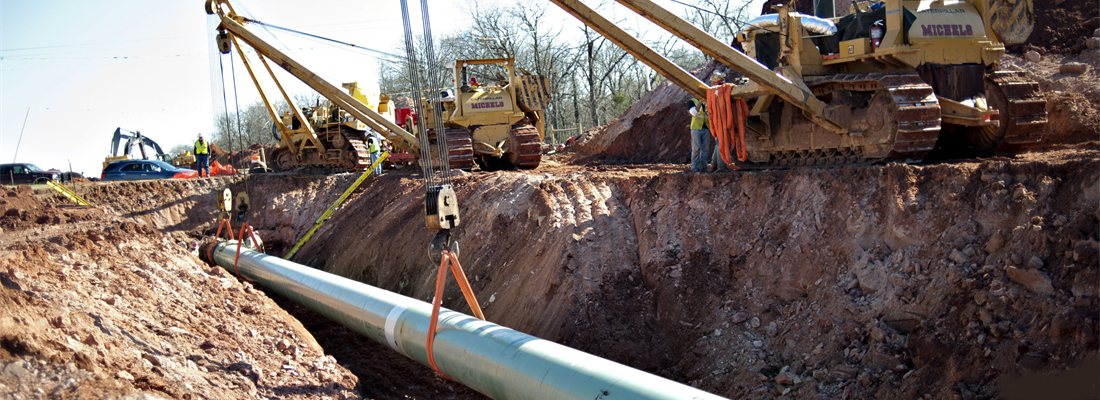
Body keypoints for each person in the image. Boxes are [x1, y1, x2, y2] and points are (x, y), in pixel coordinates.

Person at [708, 72, 730, 172]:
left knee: (718, 143)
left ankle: (714, 165)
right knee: (721, 143)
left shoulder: (713, 92)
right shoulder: (719, 91)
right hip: (720, 122)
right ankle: (721, 167)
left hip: (717, 122)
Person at [687, 97, 711, 172]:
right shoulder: (692, 101)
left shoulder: (707, 102)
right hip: (696, 128)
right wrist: (700, 102)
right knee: (696, 149)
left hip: (706, 128)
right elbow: (694, 113)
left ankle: (704, 168)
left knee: (705, 150)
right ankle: (695, 168)